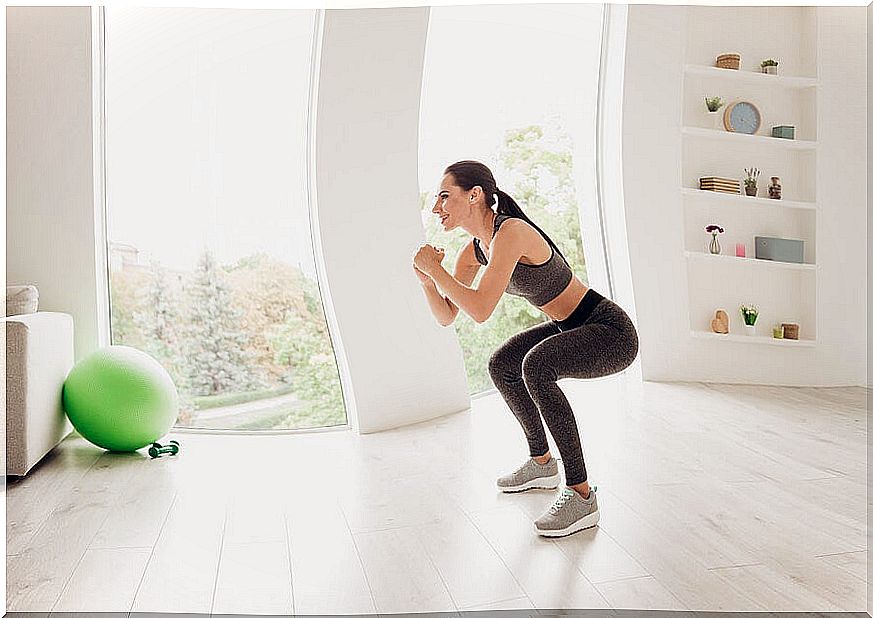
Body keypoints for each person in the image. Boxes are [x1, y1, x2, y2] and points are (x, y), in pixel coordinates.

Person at [412, 160, 639, 537]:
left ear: (475, 195)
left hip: (608, 329)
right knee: (502, 364)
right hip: (567, 324)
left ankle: (582, 497)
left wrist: (438, 273)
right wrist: (427, 282)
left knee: (536, 366)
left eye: (444, 196)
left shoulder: (512, 232)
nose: (437, 208)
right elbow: (448, 315)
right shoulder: (474, 251)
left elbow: (481, 309)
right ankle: (542, 462)